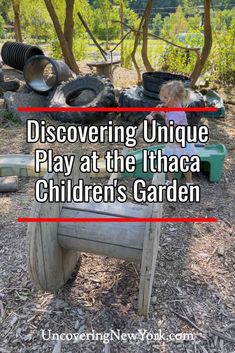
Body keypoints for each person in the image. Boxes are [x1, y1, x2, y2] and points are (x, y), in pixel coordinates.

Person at [146, 80, 195, 186]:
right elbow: (168, 117)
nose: (161, 99)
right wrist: (161, 112)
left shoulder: (176, 113)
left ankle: (189, 182)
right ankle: (171, 180)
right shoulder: (174, 106)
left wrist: (152, 121)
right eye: (162, 96)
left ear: (175, 99)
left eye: (165, 98)